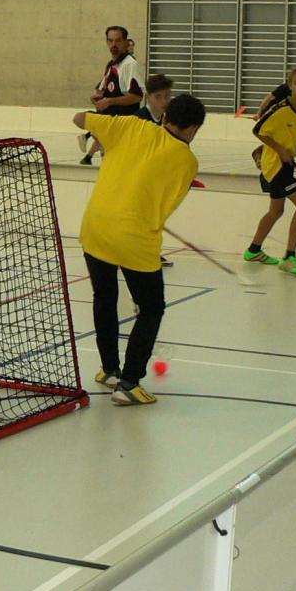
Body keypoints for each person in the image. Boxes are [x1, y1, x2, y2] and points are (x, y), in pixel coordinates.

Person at [73, 93, 206, 406]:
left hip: (96, 226)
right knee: (151, 308)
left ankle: (109, 370)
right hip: (134, 239)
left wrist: (106, 123)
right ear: (193, 129)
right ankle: (129, 382)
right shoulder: (188, 161)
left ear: (165, 116)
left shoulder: (132, 126)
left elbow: (79, 119)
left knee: (104, 297)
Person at [245, 65, 296, 277]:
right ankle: (289, 257)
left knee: (276, 211)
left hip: (287, 166)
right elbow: (258, 130)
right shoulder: (280, 110)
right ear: (290, 86)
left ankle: (253, 250)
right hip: (274, 166)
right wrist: (280, 150)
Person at [78, 26, 144, 165]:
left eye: (118, 40)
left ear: (125, 42)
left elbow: (137, 96)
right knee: (79, 118)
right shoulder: (111, 65)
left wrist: (110, 101)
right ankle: (90, 154)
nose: (114, 44)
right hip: (109, 123)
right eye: (110, 40)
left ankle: (89, 154)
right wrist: (98, 98)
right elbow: (103, 90)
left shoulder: (130, 65)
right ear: (107, 42)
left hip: (121, 125)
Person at [135, 74, 175, 269]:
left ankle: (150, 252)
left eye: (167, 96)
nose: (164, 101)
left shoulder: (166, 119)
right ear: (148, 97)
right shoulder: (140, 120)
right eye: (158, 97)